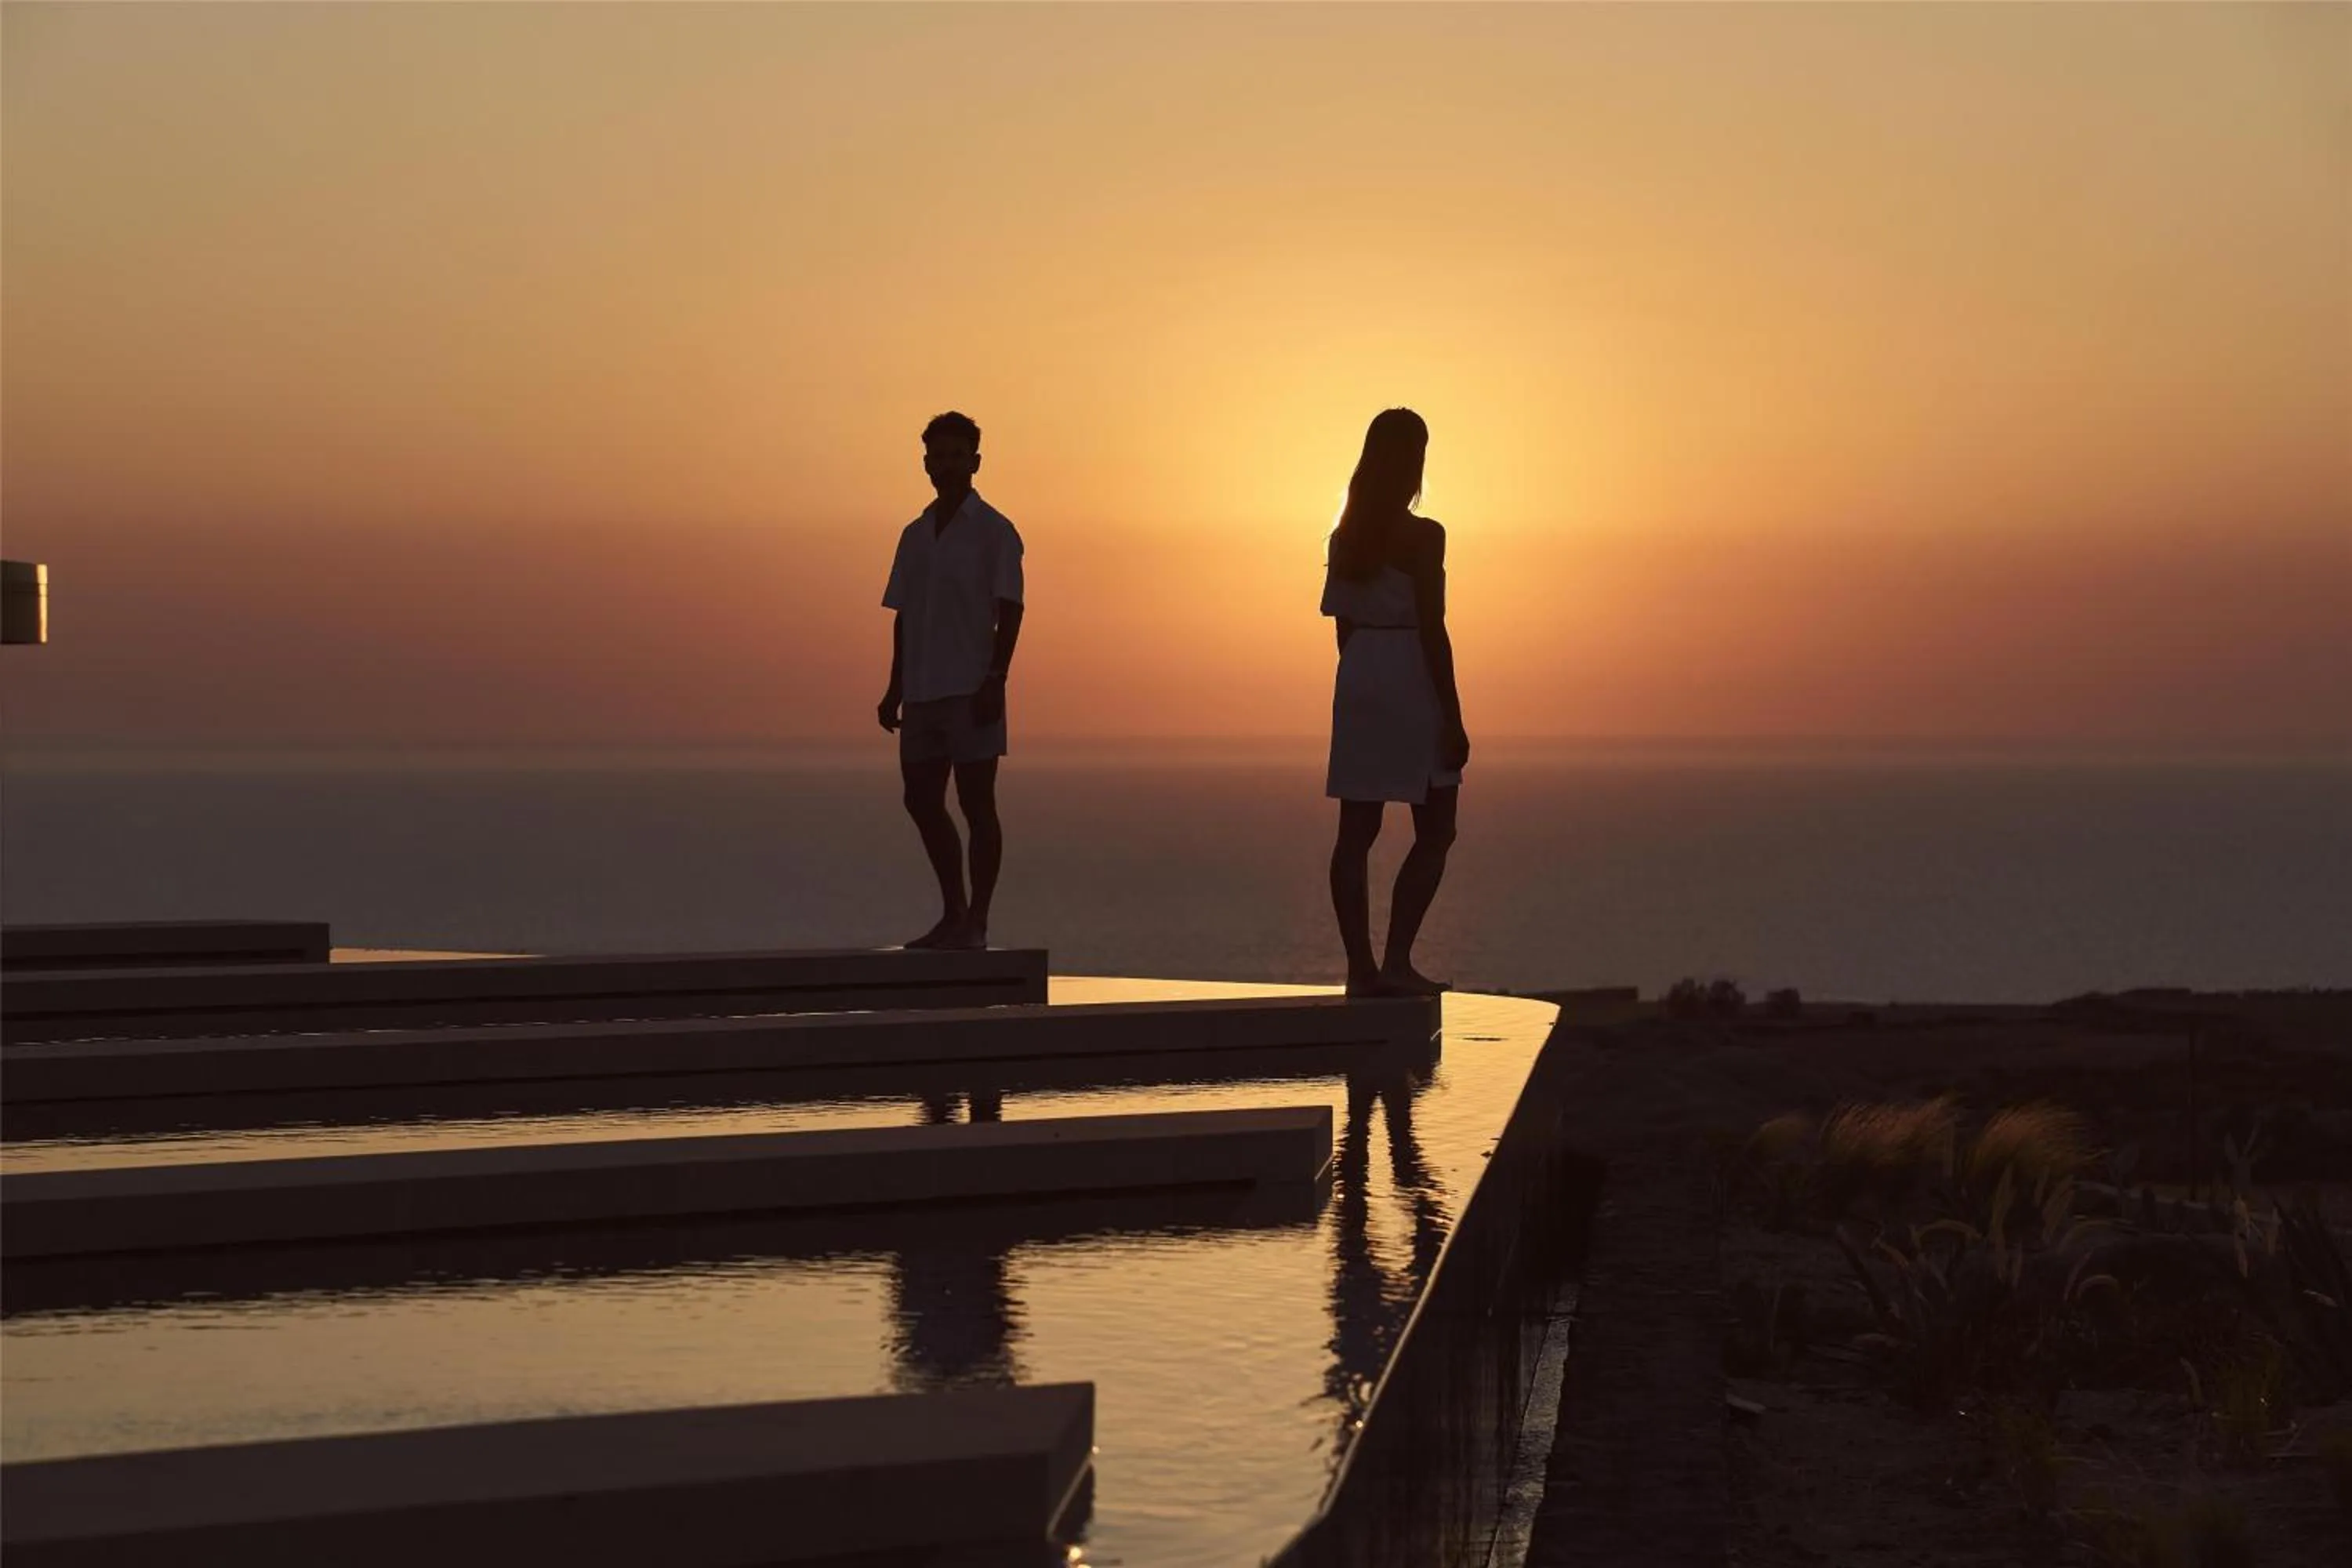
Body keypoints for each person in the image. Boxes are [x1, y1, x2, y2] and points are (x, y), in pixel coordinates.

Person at [1320, 408, 1469, 997]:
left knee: (1356, 831)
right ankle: (1397, 961)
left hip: (1359, 674)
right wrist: (1452, 717)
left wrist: (1362, 682)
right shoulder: (1424, 535)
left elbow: (1341, 626)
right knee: (1437, 825)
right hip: (1409, 670)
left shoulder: (1344, 536)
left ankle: (1362, 969)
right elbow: (1434, 628)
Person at [877, 411, 1025, 949]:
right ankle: (953, 911)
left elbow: (1011, 609)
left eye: (958, 455)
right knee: (920, 798)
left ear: (976, 462)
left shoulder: (995, 532)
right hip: (921, 690)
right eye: (939, 457)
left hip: (970, 688)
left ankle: (977, 922)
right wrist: (894, 687)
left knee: (977, 802)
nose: (947, 465)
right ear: (926, 465)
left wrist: (996, 679)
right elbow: (904, 615)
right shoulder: (914, 536)